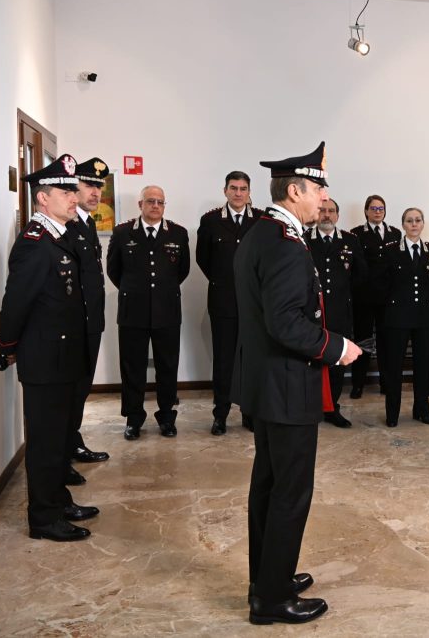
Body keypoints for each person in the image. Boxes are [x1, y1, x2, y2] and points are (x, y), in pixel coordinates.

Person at [235, 141, 362, 625]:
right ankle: (272, 600)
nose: (324, 197)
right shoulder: (286, 245)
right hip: (288, 386)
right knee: (290, 492)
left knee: (268, 487)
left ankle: (269, 578)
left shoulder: (263, 232)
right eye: (318, 188)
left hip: (267, 384)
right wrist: (336, 347)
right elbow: (286, 322)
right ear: (294, 191)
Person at [0, 154, 99, 541]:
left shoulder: (61, 235)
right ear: (42, 198)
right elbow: (16, 304)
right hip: (45, 360)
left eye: (74, 191)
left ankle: (58, 499)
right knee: (45, 443)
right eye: (65, 192)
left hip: (65, 357)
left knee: (59, 438)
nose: (74, 197)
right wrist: (7, 346)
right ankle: (43, 518)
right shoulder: (35, 244)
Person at [107, 185, 191, 440]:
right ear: (140, 204)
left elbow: (182, 270)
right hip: (133, 311)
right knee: (132, 367)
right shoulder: (122, 233)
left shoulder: (178, 233)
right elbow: (113, 270)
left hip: (167, 310)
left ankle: (166, 417)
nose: (156, 206)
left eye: (160, 202)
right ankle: (133, 419)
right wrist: (136, 291)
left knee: (168, 366)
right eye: (151, 201)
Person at [196, 171, 263, 436]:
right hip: (223, 302)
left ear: (249, 192)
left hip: (253, 304)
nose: (238, 193)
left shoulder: (260, 220)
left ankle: (249, 412)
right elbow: (203, 259)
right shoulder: (211, 220)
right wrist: (223, 282)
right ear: (225, 191)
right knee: (223, 361)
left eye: (243, 189)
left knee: (250, 360)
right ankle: (220, 415)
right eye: (233, 188)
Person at [62, 157, 111, 488]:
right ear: (73, 187)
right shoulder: (66, 226)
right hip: (74, 324)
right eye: (89, 185)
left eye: (99, 187)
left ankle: (73, 440)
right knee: (70, 390)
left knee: (81, 388)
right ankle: (62, 454)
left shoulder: (87, 223)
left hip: (91, 320)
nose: (95, 193)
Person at [305, 197, 367, 427]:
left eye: (331, 211)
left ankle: (332, 408)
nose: (326, 214)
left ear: (337, 215)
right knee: (311, 361)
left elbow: (361, 274)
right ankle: (311, 408)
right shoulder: (305, 239)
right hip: (312, 314)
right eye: (322, 210)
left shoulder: (350, 240)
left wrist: (346, 295)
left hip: (341, 312)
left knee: (337, 362)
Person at [379, 208, 429, 426]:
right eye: (409, 221)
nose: (414, 224)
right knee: (394, 367)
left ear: (423, 224)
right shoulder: (391, 250)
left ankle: (422, 410)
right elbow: (382, 283)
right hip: (398, 317)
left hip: (423, 317)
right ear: (403, 225)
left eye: (418, 220)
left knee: (423, 365)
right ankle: (392, 414)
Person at [349, 195, 401, 398]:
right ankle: (358, 384)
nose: (377, 212)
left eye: (381, 208)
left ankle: (386, 383)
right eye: (373, 208)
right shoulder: (356, 234)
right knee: (363, 341)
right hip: (364, 297)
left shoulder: (395, 233)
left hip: (387, 298)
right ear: (366, 211)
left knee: (386, 342)